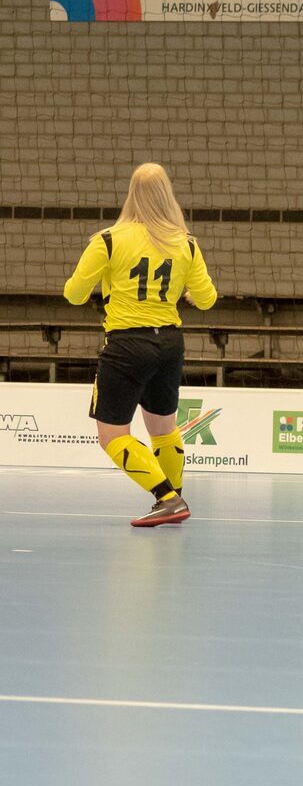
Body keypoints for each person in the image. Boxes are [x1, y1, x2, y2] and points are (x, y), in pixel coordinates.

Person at [63, 163, 218, 527]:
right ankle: (174, 499)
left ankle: (168, 498)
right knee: (163, 428)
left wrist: (106, 278)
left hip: (127, 344)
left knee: (111, 436)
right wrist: (186, 293)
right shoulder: (186, 243)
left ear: (131, 194)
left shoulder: (109, 240)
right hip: (169, 344)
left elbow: (74, 294)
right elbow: (207, 299)